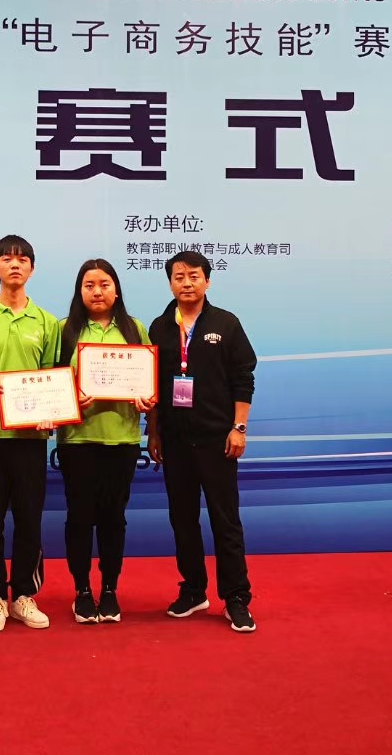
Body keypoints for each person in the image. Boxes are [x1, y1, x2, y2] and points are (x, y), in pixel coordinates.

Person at [147, 250, 258, 633]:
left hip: (217, 440)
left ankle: (236, 597)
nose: (187, 283)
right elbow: (154, 386)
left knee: (225, 521)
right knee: (183, 520)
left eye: (194, 276)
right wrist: (154, 431)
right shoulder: (160, 328)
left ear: (207, 281)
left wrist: (239, 428)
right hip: (175, 442)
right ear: (170, 283)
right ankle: (194, 590)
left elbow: (244, 378)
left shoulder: (226, 323)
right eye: (179, 277)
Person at [0, 235, 61, 633]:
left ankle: (24, 594)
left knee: (29, 517)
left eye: (22, 259)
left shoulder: (46, 322)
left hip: (30, 439)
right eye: (6, 259)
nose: (14, 265)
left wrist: (50, 413)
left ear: (32, 269)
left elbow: (53, 377)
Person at [56, 259, 155, 624]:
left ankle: (110, 589)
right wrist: (69, 398)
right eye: (89, 285)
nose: (97, 292)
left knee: (114, 518)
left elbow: (150, 382)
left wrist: (148, 401)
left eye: (104, 284)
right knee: (79, 517)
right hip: (77, 441)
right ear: (79, 291)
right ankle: (82, 590)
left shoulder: (135, 329)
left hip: (122, 440)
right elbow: (50, 382)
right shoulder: (64, 330)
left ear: (116, 289)